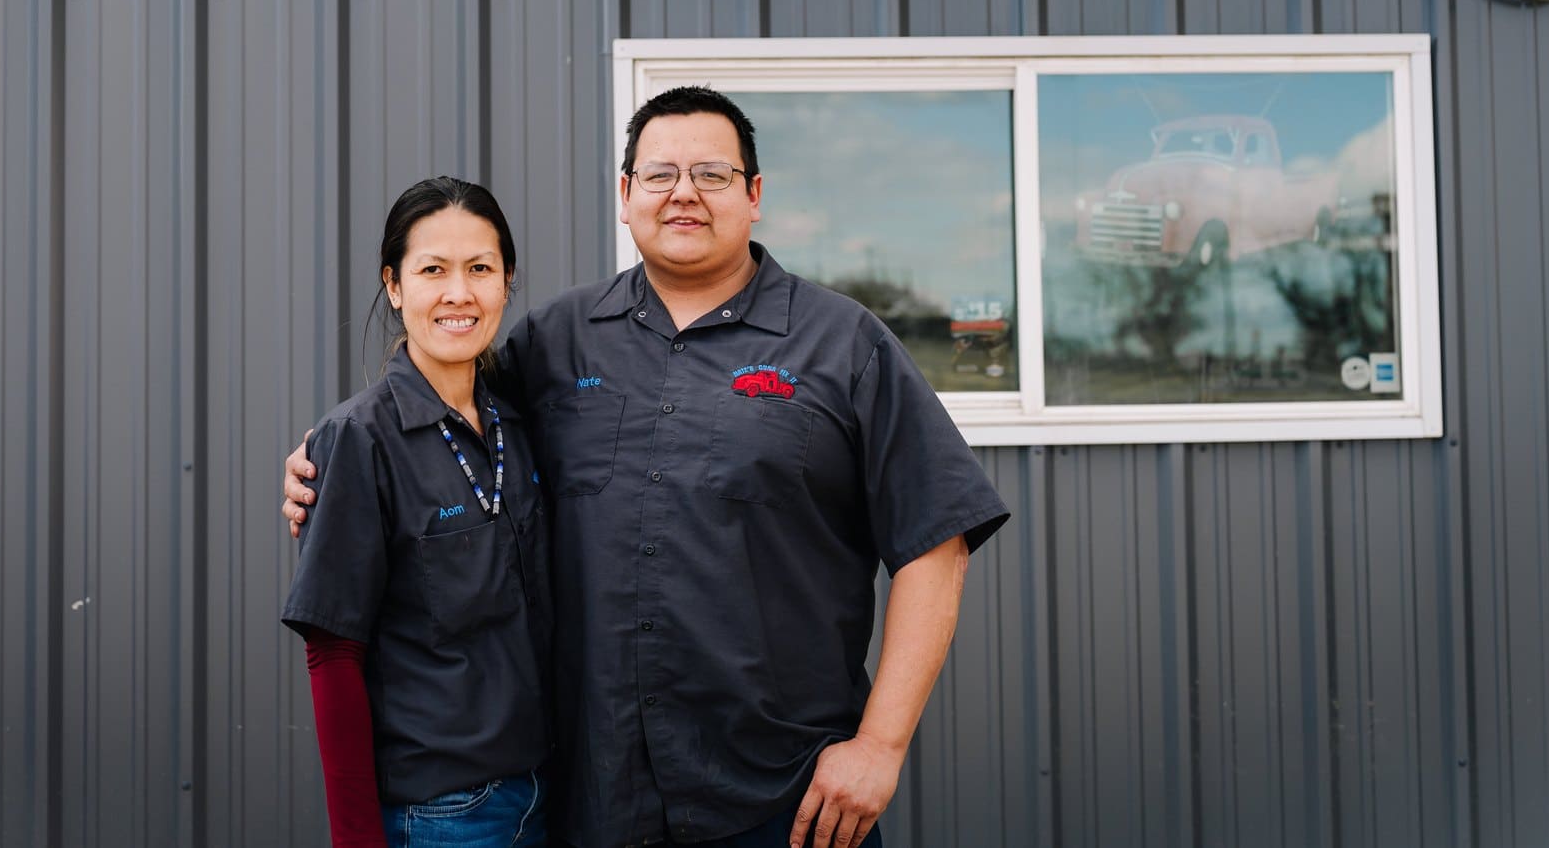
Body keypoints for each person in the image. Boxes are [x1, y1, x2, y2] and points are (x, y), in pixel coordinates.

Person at [287, 88, 1009, 848]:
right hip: (597, 799)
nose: (685, 193)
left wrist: (881, 745)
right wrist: (323, 462)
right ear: (626, 195)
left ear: (755, 195)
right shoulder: (554, 342)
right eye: (660, 174)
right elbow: (433, 425)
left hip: (785, 800)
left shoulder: (844, 343)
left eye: (713, 174)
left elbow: (937, 540)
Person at [283, 177, 551, 848]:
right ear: (395, 285)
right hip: (441, 815)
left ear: (507, 281)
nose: (458, 293)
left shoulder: (521, 418)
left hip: (550, 796)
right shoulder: (359, 439)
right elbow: (332, 654)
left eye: (480, 269)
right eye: (433, 269)